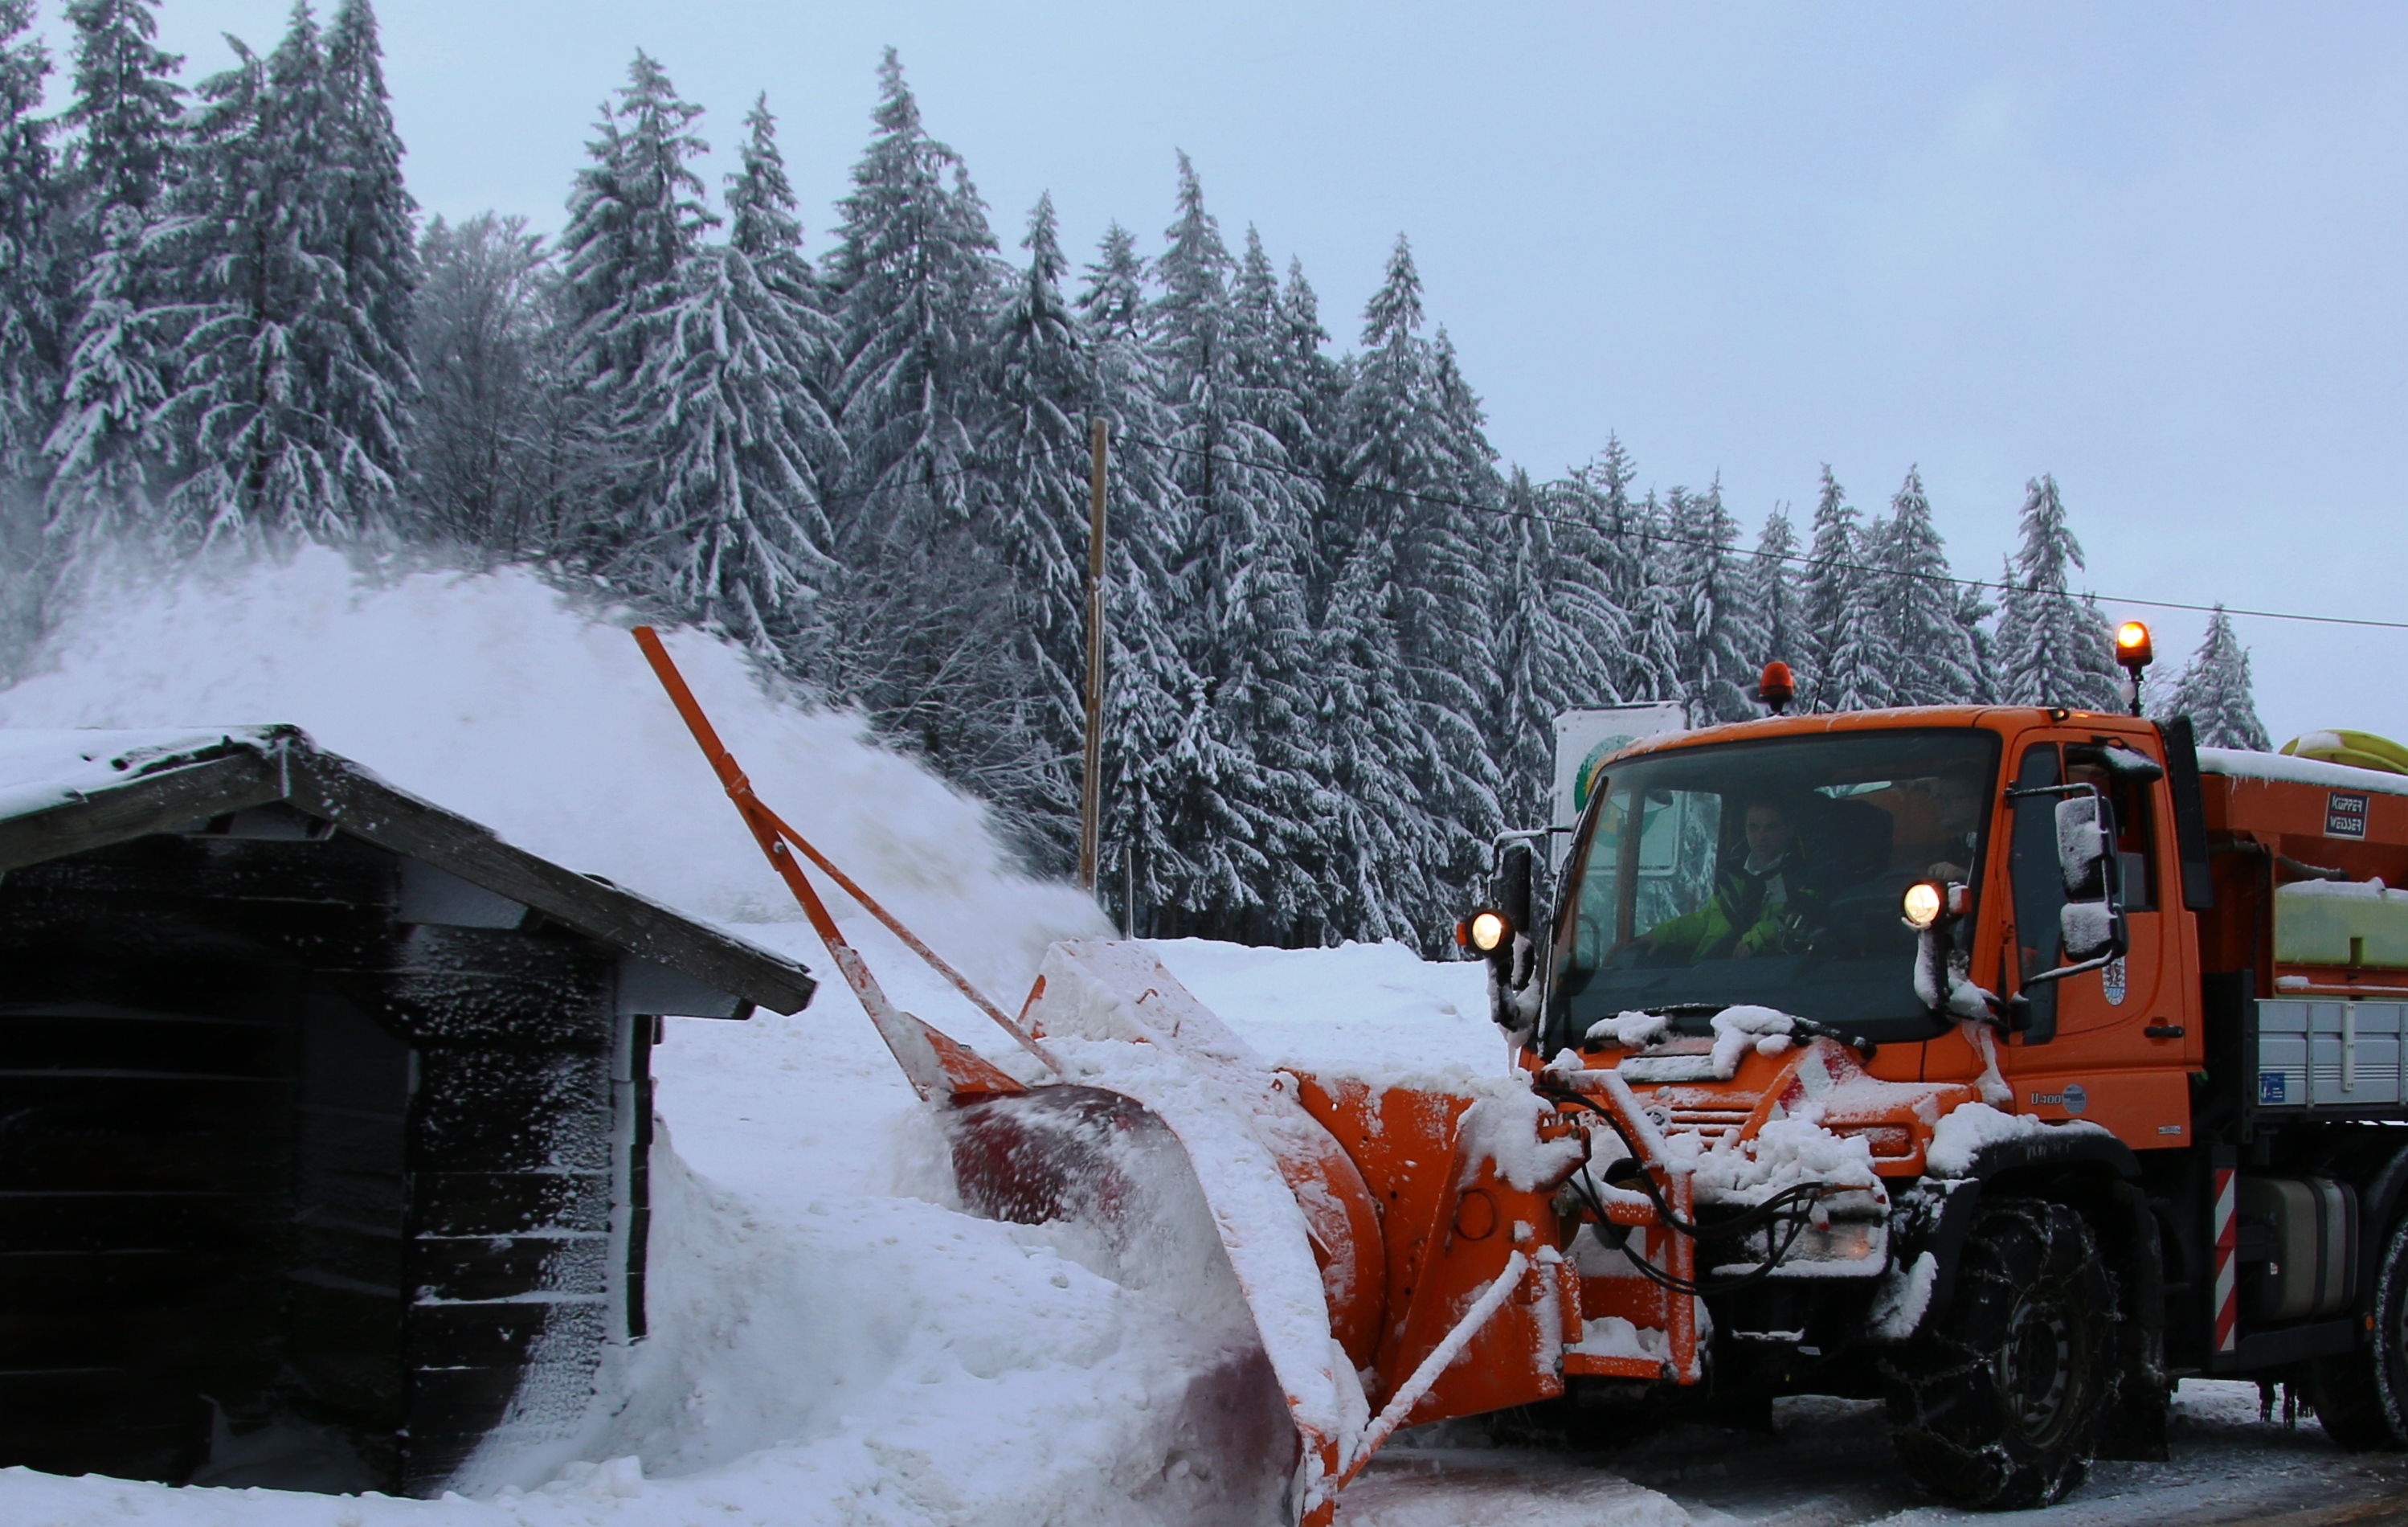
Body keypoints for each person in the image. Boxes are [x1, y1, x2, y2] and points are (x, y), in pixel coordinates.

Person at [1635, 797, 1809, 962]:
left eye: (1770, 828)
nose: (1761, 836)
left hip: (1774, 980)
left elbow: (1802, 921)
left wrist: (1761, 937)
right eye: (1754, 828)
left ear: (1789, 829)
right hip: (1715, 979)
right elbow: (1707, 920)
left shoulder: (1803, 878)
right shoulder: (1734, 874)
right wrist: (1662, 934)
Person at [1925, 770, 1987, 883]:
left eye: (1951, 798)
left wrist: (1965, 876)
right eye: (1940, 798)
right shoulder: (1953, 846)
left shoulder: (1999, 844)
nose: (1942, 805)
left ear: (1979, 800)